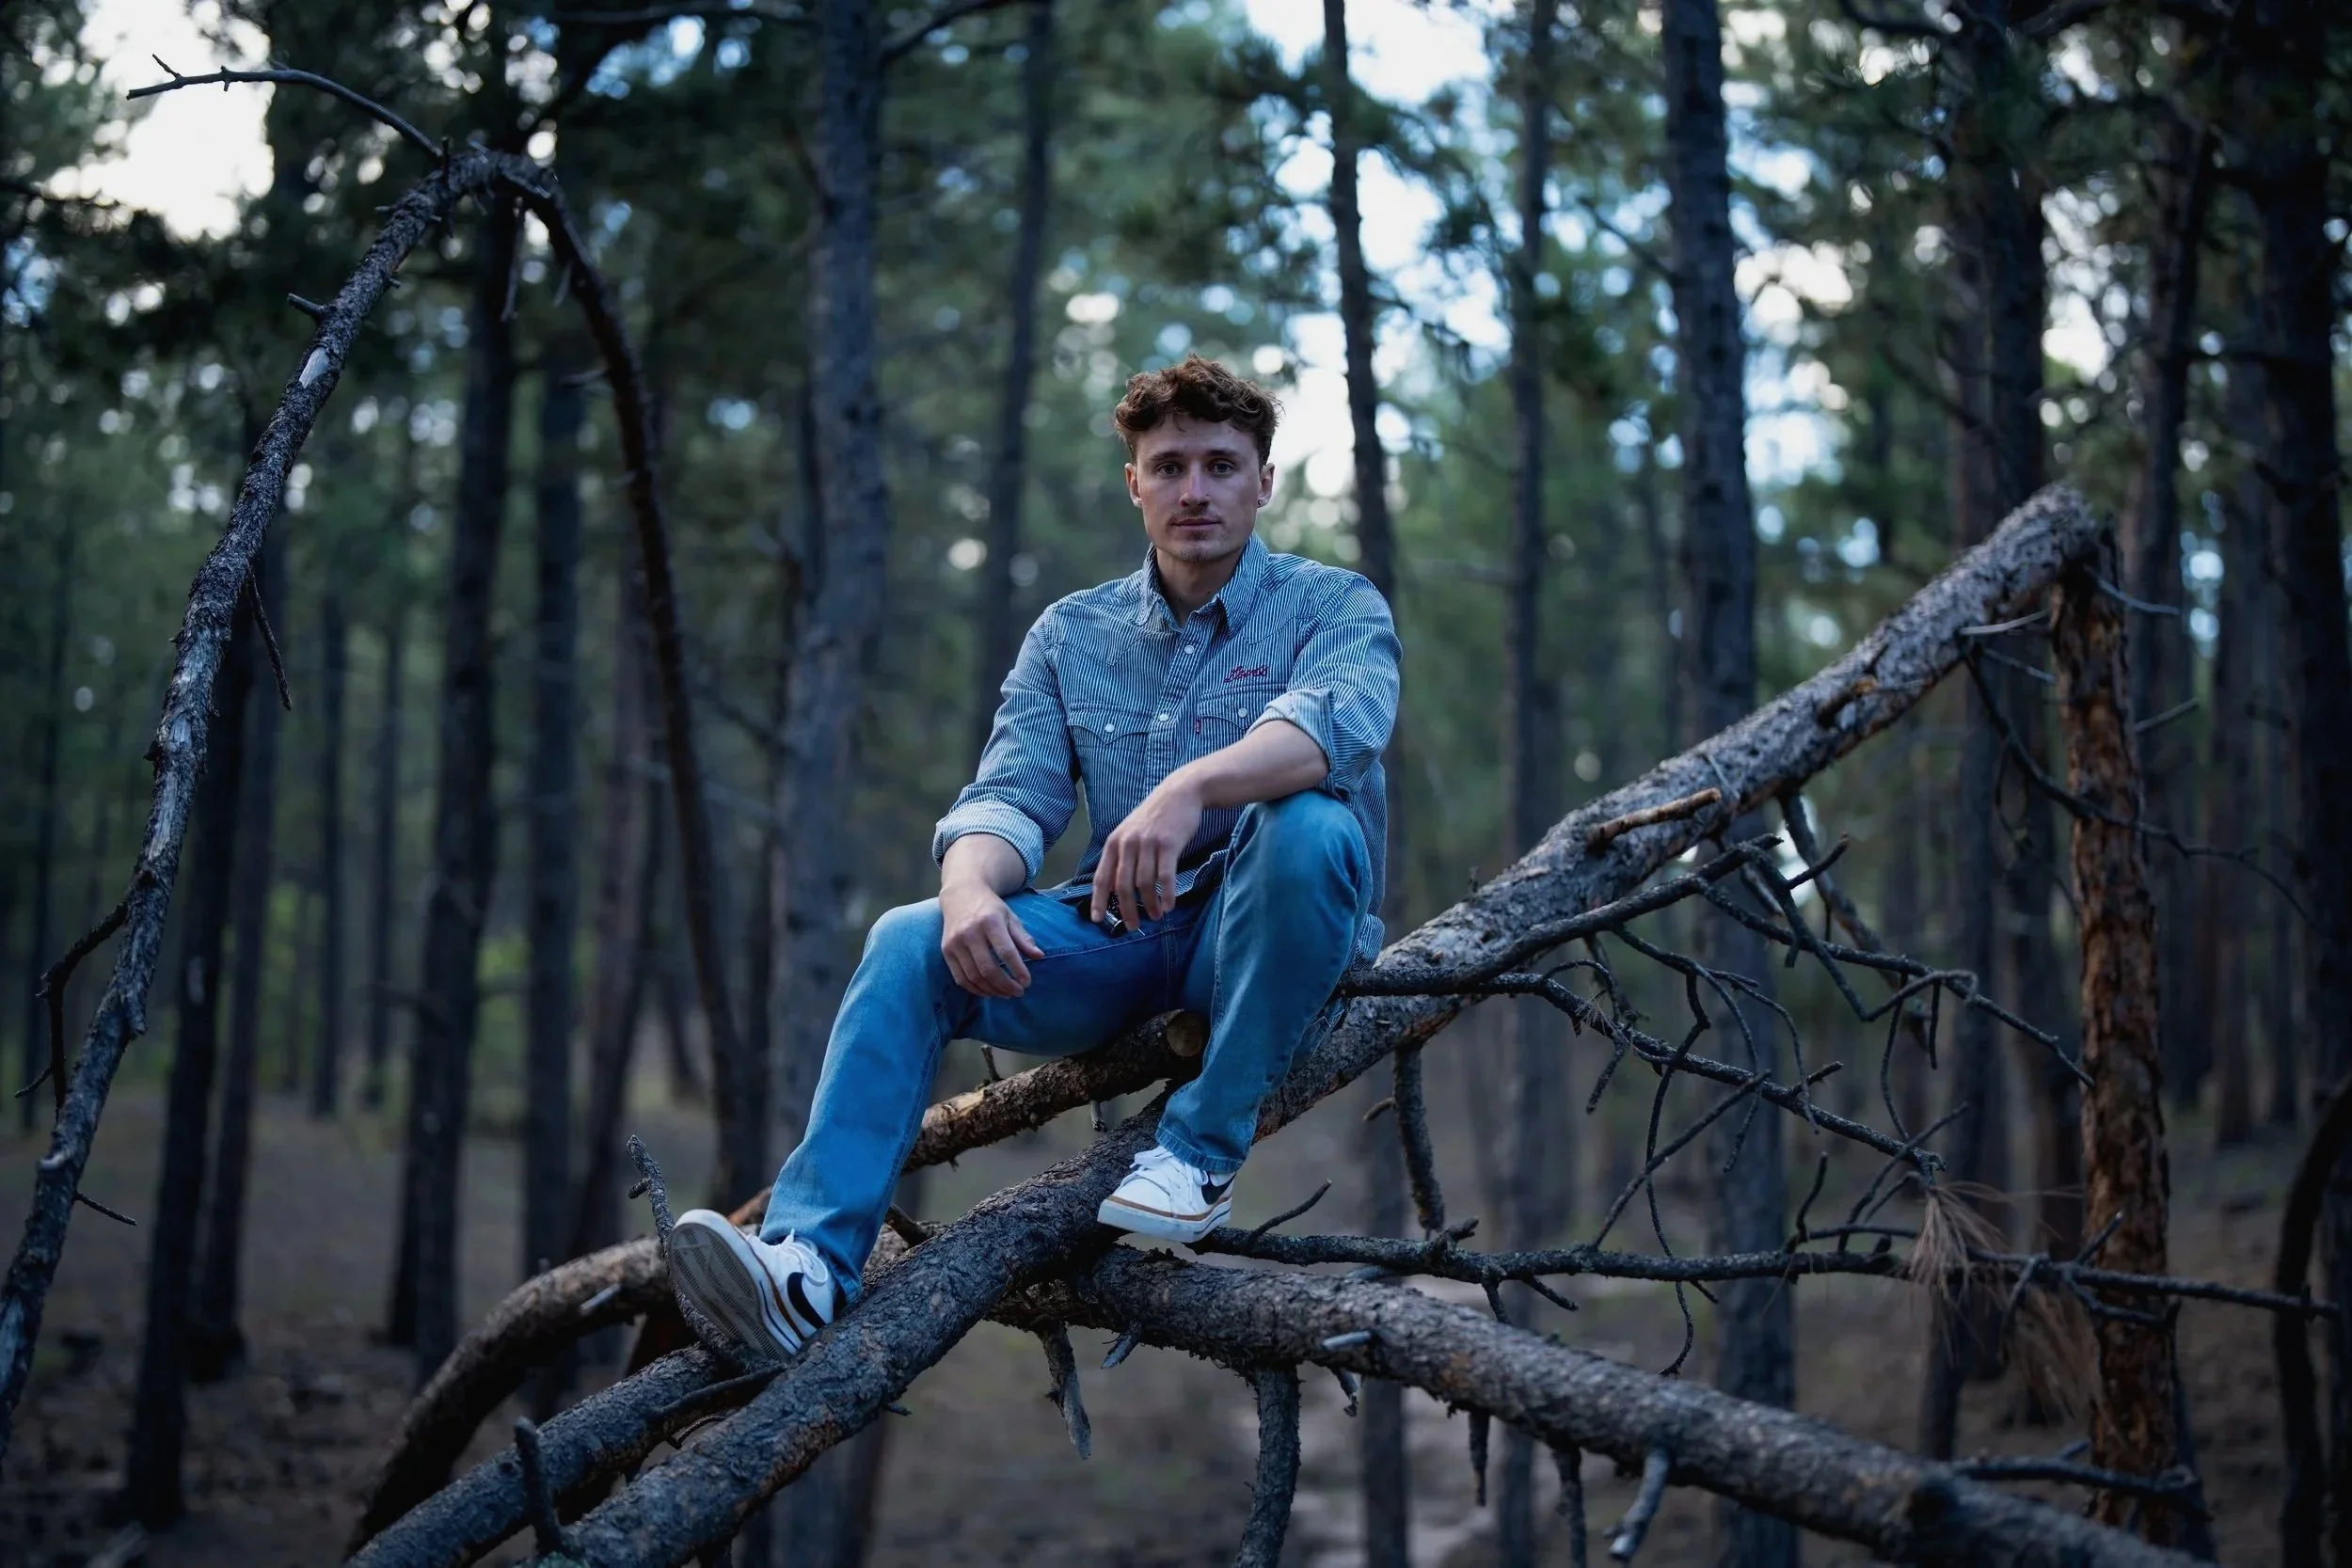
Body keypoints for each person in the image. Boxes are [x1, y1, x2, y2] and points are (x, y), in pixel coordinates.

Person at [668, 355, 1400, 1360]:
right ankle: (804, 1269)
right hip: (1127, 933)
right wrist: (967, 885)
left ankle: (1198, 1152)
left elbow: (1333, 730)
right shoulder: (1071, 632)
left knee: (1308, 822)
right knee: (908, 937)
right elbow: (1011, 794)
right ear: (1133, 481)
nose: (1195, 489)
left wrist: (1188, 788)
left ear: (1263, 482)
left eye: (1222, 465)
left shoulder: (1334, 605)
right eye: (1170, 464)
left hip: (1276, 926)